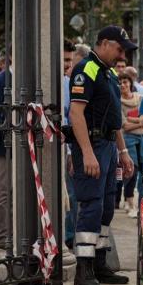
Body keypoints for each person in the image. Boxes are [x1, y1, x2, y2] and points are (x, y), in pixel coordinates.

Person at [68, 25, 135, 285]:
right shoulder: (87, 69)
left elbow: (115, 118)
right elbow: (76, 114)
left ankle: (99, 263)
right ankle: (83, 269)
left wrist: (123, 152)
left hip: (108, 145)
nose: (122, 56)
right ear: (104, 43)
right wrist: (86, 153)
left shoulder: (107, 73)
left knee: (107, 206)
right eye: (119, 49)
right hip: (92, 145)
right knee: (92, 205)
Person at [118, 74, 143, 218]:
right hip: (127, 138)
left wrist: (134, 121)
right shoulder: (118, 102)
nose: (123, 85)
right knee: (131, 169)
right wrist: (140, 122)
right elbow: (125, 126)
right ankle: (130, 202)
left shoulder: (140, 99)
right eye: (120, 83)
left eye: (125, 82)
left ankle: (140, 202)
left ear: (130, 83)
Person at [62, 39, 78, 250]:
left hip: (68, 148)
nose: (68, 64)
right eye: (65, 59)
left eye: (70, 60)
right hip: (60, 148)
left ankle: (68, 238)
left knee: (71, 198)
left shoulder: (68, 82)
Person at [0, 48, 10, 249]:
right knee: (3, 191)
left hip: (18, 145)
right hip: (2, 146)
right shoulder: (1, 80)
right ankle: (2, 235)